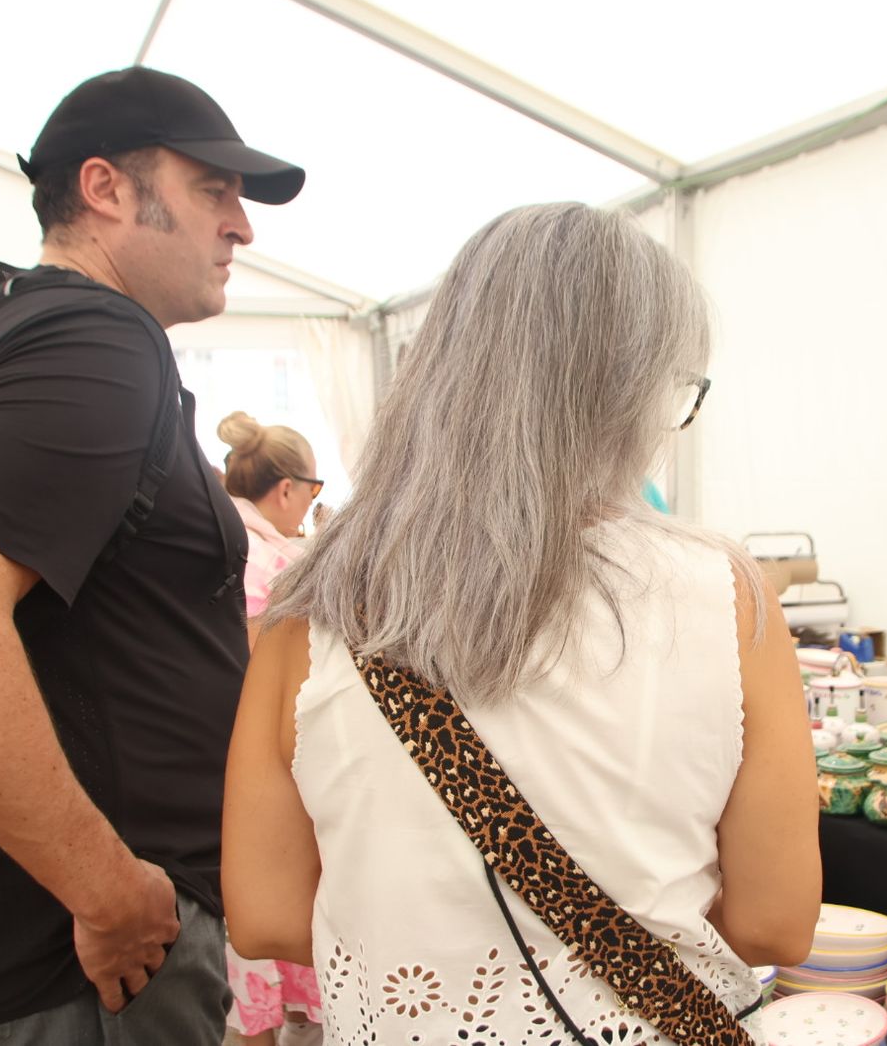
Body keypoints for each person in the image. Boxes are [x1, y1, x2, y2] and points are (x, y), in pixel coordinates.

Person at [222, 203, 821, 1043]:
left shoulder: (316, 611)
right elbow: (775, 923)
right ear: (638, 390)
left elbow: (265, 911)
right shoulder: (728, 600)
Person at [0, 66, 303, 1045]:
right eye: (212, 190)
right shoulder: (92, 344)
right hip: (74, 958)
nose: (243, 226)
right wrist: (105, 887)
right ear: (104, 189)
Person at [216, 411, 323, 1044]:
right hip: (262, 770)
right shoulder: (268, 562)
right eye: (312, 494)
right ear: (286, 488)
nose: (311, 510)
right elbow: (266, 688)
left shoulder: (224, 534)